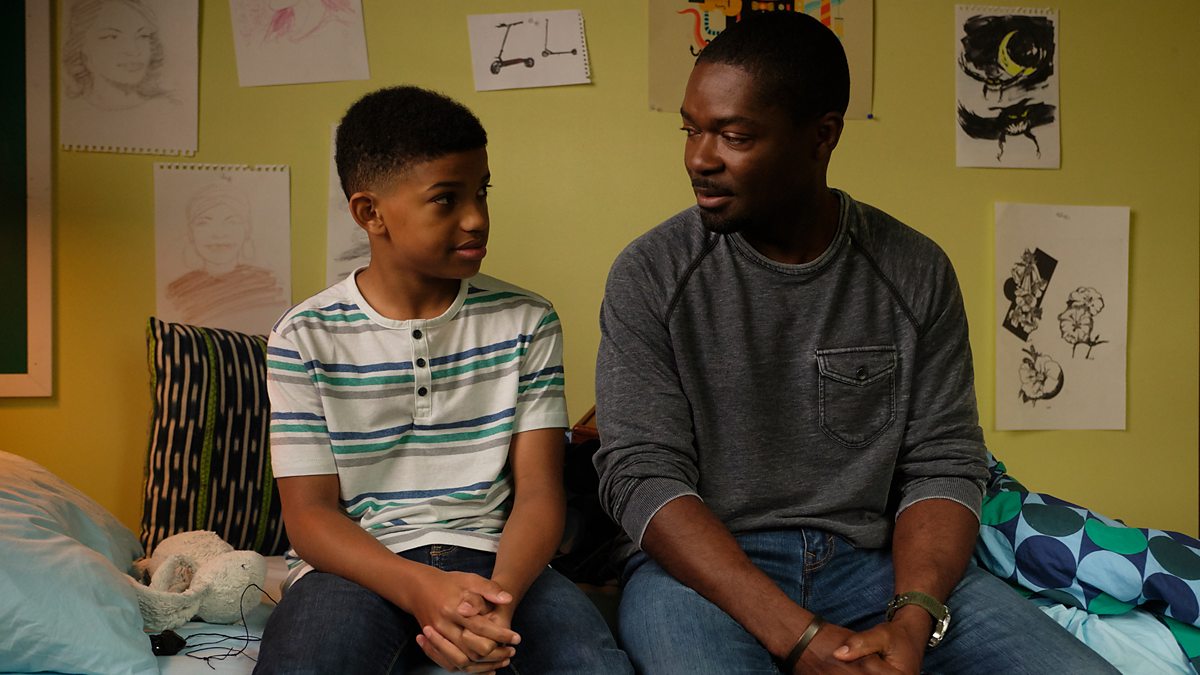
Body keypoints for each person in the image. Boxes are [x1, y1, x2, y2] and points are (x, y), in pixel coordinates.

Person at [593, 14, 1119, 675]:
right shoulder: (650, 273)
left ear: (822, 136)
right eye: (690, 130)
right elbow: (640, 474)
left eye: (734, 135)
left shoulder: (914, 270)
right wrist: (798, 635)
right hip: (699, 577)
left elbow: (944, 461)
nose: (700, 157)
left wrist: (914, 615)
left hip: (872, 567)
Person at [256, 86, 632, 675]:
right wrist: (420, 588)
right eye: (445, 199)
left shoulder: (527, 320)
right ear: (370, 213)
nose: (476, 217)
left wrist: (498, 601)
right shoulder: (304, 335)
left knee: (590, 663)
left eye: (482, 191)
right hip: (357, 568)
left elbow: (539, 493)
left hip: (500, 564)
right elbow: (310, 517)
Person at [165, 182, 287, 331]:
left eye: (231, 222)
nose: (218, 234)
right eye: (204, 223)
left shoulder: (269, 284)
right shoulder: (176, 292)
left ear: (246, 230)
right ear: (191, 233)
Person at [62, 0, 173, 111]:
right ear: (82, 45)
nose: (134, 51)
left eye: (143, 36)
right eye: (112, 37)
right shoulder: (70, 110)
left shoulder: (169, 107)